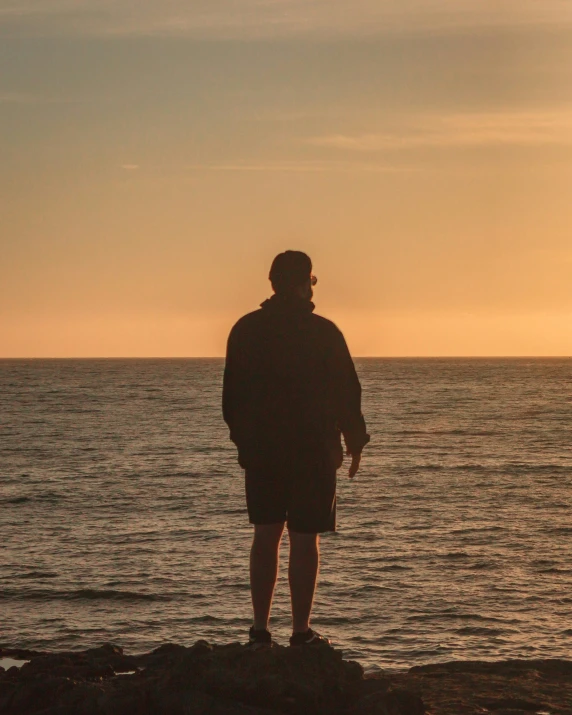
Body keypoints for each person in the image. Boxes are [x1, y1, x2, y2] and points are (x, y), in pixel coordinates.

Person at [222, 250, 369, 648]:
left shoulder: (245, 330)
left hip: (264, 454)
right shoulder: (324, 332)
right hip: (314, 453)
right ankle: (301, 634)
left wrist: (245, 444)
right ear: (305, 284)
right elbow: (347, 393)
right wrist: (353, 443)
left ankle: (258, 631)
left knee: (265, 536)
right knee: (305, 540)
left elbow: (232, 399)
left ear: (273, 283)